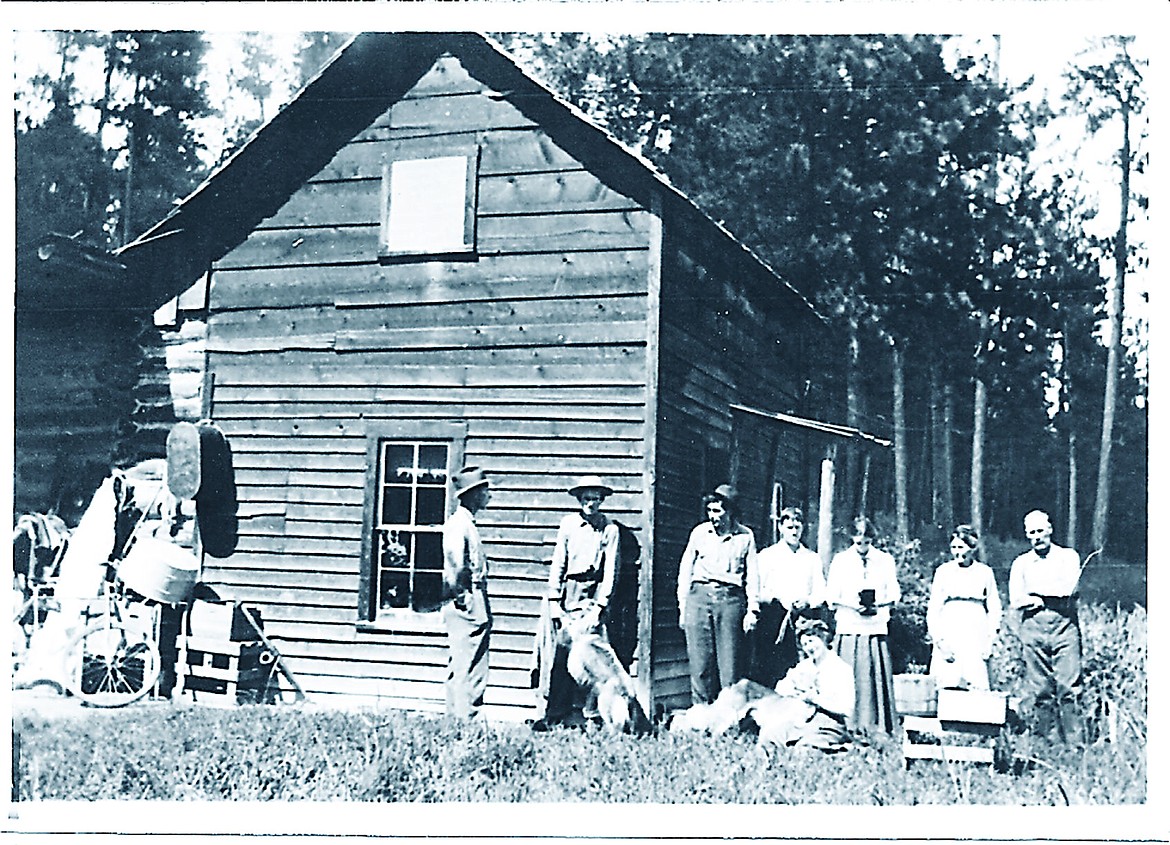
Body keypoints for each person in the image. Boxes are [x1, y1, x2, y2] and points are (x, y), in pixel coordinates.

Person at [533, 475, 620, 730]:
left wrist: (600, 607)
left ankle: (592, 717)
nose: (590, 503)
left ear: (602, 500)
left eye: (595, 498)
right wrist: (555, 602)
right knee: (562, 656)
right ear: (579, 499)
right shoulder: (569, 525)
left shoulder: (609, 529)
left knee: (593, 658)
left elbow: (611, 571)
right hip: (569, 594)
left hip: (592, 596)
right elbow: (558, 563)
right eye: (586, 498)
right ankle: (555, 715)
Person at [677, 484, 760, 705]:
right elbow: (685, 571)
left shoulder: (745, 536)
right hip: (699, 599)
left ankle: (731, 720)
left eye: (718, 511)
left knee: (730, 666)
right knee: (700, 664)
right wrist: (682, 606)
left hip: (730, 601)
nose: (713, 516)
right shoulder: (699, 533)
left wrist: (752, 610)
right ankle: (701, 716)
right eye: (710, 511)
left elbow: (753, 576)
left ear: (731, 511)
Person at [1008, 509, 1084, 745]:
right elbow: (1016, 598)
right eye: (1031, 533)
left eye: (1040, 531)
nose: (1036, 537)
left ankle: (1075, 744)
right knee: (1040, 688)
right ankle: (1045, 743)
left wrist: (1038, 592)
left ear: (1050, 530)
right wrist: (1036, 598)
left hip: (1064, 625)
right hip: (1033, 626)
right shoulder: (1021, 563)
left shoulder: (1068, 557)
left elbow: (1069, 588)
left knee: (1069, 686)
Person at [825, 516, 901, 734]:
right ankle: (846, 724)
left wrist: (879, 604)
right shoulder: (840, 560)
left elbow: (894, 593)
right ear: (851, 538)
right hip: (850, 626)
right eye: (858, 542)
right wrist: (852, 605)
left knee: (873, 677)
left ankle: (876, 724)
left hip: (874, 627)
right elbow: (831, 595)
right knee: (848, 676)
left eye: (867, 542)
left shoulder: (885, 560)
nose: (863, 547)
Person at [749, 506, 826, 687]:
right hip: (772, 620)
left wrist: (808, 601)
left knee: (799, 671)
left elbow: (821, 591)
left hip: (802, 621)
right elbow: (755, 589)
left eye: (797, 527)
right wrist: (775, 598)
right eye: (789, 527)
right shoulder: (767, 556)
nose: (794, 531)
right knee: (770, 669)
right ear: (781, 528)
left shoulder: (811, 558)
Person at [440, 466, 493, 719]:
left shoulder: (467, 523)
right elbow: (454, 565)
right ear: (472, 495)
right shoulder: (458, 524)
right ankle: (464, 722)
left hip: (473, 597)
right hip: (467, 600)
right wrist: (464, 599)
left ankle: (457, 721)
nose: (488, 496)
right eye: (484, 491)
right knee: (468, 666)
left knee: (467, 663)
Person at [758, 617, 855, 751]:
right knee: (768, 737)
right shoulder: (804, 666)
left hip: (828, 724)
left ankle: (839, 749)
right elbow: (780, 688)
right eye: (805, 644)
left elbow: (847, 709)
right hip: (800, 720)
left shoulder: (840, 668)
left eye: (811, 641)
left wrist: (816, 699)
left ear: (823, 638)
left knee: (804, 749)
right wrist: (792, 691)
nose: (809, 647)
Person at [927, 524, 1003, 691]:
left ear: (972, 548)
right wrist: (939, 641)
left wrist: (990, 640)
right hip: (950, 628)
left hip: (976, 631)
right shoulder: (943, 571)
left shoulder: (985, 572)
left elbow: (995, 608)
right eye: (953, 547)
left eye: (961, 547)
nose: (957, 552)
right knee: (948, 680)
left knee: (976, 679)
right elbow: (933, 609)